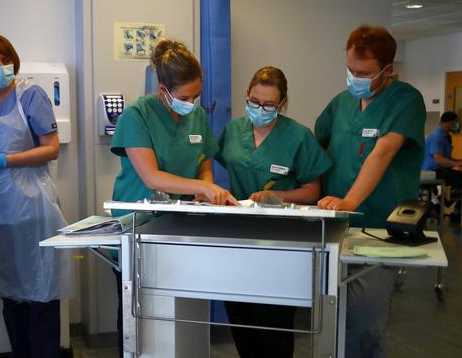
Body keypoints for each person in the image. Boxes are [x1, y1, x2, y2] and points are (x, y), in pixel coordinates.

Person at [110, 39, 237, 356]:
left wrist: (208, 187)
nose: (191, 103)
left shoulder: (196, 118)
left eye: (197, 96)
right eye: (184, 97)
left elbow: (203, 163)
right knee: (140, 322)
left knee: (183, 318)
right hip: (139, 228)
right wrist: (202, 189)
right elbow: (151, 177)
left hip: (182, 229)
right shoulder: (137, 116)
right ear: (163, 89)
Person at [315, 25, 426, 357]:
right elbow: (314, 150)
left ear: (387, 70)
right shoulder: (340, 104)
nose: (354, 78)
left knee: (364, 323)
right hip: (333, 227)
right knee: (329, 318)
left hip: (378, 228)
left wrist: (349, 201)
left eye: (362, 73)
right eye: (350, 69)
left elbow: (383, 152)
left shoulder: (406, 101)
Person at [0, 34, 70, 357]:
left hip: (32, 209)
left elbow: (50, 149)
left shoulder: (30, 96)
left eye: (5, 59)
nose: (0, 66)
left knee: (42, 290)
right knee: (10, 293)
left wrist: (4, 160)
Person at [216, 66, 330, 358]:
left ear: (282, 104)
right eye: (255, 101)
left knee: (272, 323)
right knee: (240, 316)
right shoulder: (233, 131)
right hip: (238, 236)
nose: (260, 109)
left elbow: (312, 191)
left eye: (269, 105)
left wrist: (277, 195)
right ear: (247, 95)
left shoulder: (298, 137)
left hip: (280, 241)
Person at [423, 111, 462, 217]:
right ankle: (437, 204)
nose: (457, 125)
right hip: (431, 171)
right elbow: (439, 159)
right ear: (449, 123)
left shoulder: (445, 136)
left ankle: (438, 203)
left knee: (461, 179)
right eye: (456, 123)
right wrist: (457, 163)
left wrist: (460, 161)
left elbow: (446, 158)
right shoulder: (437, 136)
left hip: (440, 169)